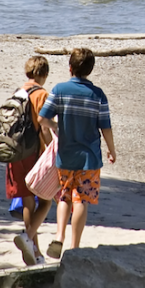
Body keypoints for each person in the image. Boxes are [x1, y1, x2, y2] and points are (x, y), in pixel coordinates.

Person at [38, 48, 116, 258]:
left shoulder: (59, 89)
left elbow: (42, 119)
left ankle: (59, 236)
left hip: (66, 154)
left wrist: (57, 126)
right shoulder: (98, 94)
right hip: (89, 158)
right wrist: (111, 148)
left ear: (70, 67)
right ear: (90, 70)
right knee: (80, 199)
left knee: (64, 196)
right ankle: (75, 247)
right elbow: (105, 126)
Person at [8, 56, 54, 266]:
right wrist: (51, 147)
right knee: (45, 200)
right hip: (33, 153)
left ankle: (34, 251)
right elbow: (43, 126)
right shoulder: (42, 94)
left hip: (14, 150)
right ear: (43, 74)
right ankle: (28, 239)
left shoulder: (18, 91)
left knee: (27, 201)